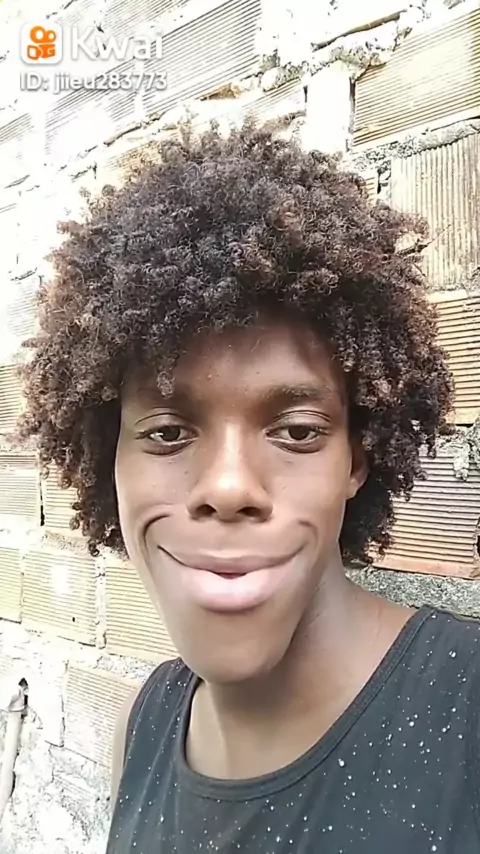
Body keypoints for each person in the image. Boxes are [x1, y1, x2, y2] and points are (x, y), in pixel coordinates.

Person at [19, 122, 480, 853]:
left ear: (356, 459)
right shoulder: (144, 725)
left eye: (296, 431)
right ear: (110, 461)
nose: (229, 486)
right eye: (167, 432)